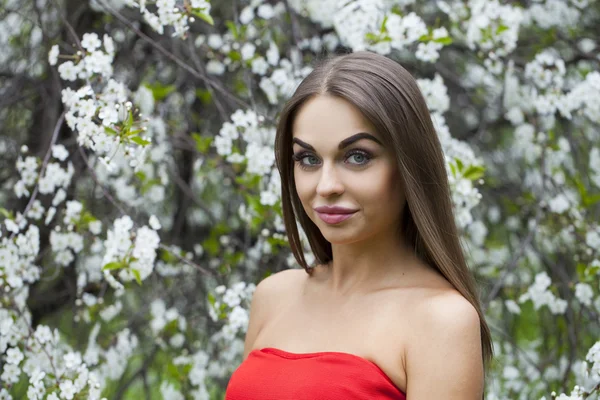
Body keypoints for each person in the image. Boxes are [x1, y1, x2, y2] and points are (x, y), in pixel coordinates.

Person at [225, 50, 493, 399]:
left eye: (357, 157)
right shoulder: (273, 296)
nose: (325, 186)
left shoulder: (441, 320)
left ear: (409, 164)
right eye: (308, 159)